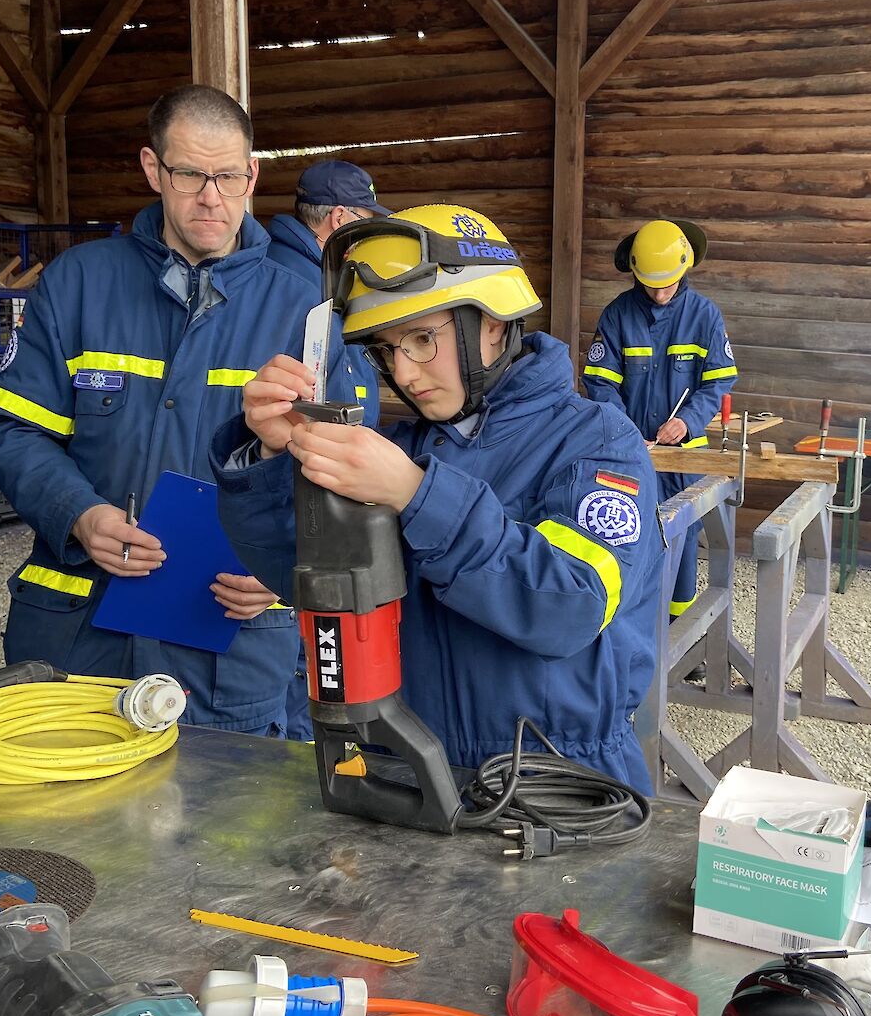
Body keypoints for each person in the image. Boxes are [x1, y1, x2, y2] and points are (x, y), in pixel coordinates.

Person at [211, 204, 661, 790]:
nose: (406, 372)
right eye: (384, 350)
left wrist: (416, 494)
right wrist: (271, 459)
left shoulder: (596, 442)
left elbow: (569, 606)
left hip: (558, 780)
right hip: (410, 766)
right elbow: (300, 574)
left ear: (494, 322)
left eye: (423, 338)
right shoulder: (395, 449)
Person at [0, 83, 355, 737]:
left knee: (221, 830)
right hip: (79, 641)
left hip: (228, 653)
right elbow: (11, 429)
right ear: (153, 168)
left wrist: (290, 568)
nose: (212, 196)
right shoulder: (78, 284)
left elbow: (350, 470)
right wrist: (78, 514)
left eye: (229, 175)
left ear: (252, 174)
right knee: (68, 831)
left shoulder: (304, 310)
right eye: (190, 174)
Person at [266, 157, 386, 736]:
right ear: (338, 219)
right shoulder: (300, 292)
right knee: (305, 681)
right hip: (307, 525)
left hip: (306, 518)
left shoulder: (321, 284)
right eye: (364, 225)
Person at [583, 219, 737, 620]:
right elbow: (599, 386)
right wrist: (627, 432)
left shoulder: (704, 315)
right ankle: (633, 633)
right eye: (651, 283)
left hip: (685, 461)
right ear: (634, 273)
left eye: (668, 283)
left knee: (683, 546)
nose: (660, 292)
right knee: (628, 538)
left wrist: (687, 421)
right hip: (632, 457)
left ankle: (681, 638)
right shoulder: (616, 316)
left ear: (686, 267)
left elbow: (719, 382)